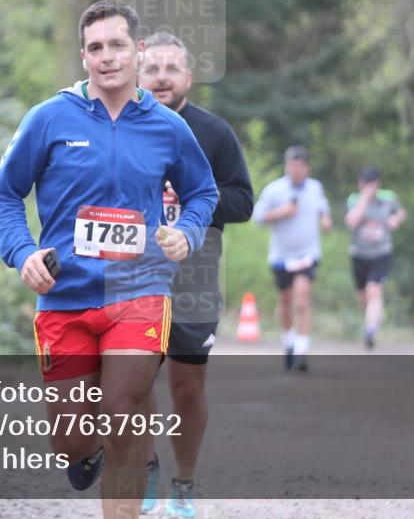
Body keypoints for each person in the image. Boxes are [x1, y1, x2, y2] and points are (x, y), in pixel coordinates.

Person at [0, 0, 218, 519]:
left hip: (139, 290)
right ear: (83, 56)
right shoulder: (48, 119)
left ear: (137, 51)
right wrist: (22, 253)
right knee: (71, 440)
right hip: (64, 294)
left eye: (117, 45)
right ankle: (83, 452)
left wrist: (186, 230)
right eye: (96, 48)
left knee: (123, 411)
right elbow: (4, 195)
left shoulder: (166, 127)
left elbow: (202, 192)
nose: (107, 57)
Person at [137, 31, 253, 518]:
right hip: (130, 278)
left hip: (194, 280)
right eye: (153, 68)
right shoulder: (120, 128)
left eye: (171, 68)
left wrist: (191, 203)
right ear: (138, 75)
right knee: (132, 384)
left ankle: (183, 484)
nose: (161, 77)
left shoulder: (214, 133)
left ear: (188, 76)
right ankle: (144, 475)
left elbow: (243, 202)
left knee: (186, 388)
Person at [252, 146, 332, 371]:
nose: (296, 170)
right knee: (286, 302)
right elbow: (257, 217)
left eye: (300, 167)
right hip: (281, 256)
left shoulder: (316, 188)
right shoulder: (274, 190)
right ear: (286, 167)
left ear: (307, 168)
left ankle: (301, 351)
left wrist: (326, 220)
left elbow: (323, 208)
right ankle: (288, 340)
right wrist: (281, 212)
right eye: (291, 166)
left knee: (302, 298)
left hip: (308, 253)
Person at [344, 166, 406, 349]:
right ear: (360, 184)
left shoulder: (388, 198)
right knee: (363, 296)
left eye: (373, 184)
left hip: (381, 252)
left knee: (374, 290)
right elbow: (351, 222)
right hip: (359, 253)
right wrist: (364, 199)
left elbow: (401, 212)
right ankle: (374, 316)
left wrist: (396, 220)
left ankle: (370, 330)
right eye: (366, 184)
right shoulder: (354, 199)